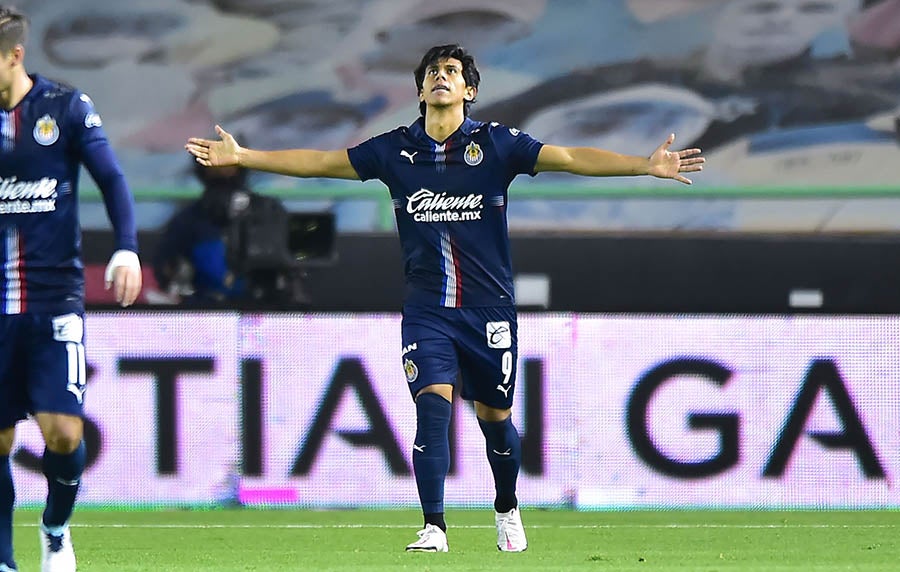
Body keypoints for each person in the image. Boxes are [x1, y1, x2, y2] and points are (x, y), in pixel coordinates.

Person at [185, 43, 704, 553]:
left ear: (469, 89)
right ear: (419, 90)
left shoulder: (497, 145)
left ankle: (506, 507)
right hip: (427, 309)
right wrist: (245, 156)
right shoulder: (393, 150)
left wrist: (644, 164)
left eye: (452, 70)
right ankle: (434, 527)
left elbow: (568, 156)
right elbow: (322, 161)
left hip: (489, 309)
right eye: (433, 70)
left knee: (495, 418)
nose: (441, 76)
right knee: (431, 409)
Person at [0, 6, 142, 572]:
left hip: (54, 296)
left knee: (62, 432)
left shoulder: (65, 107)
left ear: (15, 55)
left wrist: (126, 246)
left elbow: (111, 178)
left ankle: (55, 527)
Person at [152, 160, 308, 307]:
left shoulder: (268, 211)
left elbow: (294, 261)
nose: (222, 172)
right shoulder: (188, 219)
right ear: (201, 170)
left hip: (263, 307)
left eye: (228, 165)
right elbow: (165, 266)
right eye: (214, 167)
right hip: (203, 309)